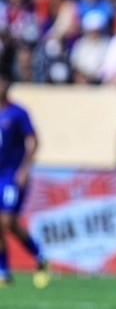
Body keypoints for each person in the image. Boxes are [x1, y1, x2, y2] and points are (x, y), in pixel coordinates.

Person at [0, 72, 49, 289]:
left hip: (11, 174)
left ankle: (38, 254)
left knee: (7, 221)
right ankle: (3, 271)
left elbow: (34, 141)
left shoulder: (18, 113)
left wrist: (24, 169)